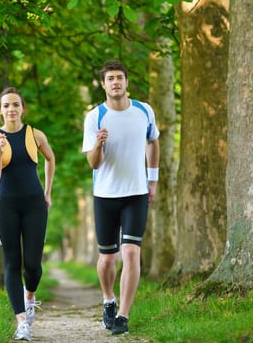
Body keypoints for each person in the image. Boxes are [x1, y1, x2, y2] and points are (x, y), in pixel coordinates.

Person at [82, 60, 160, 335]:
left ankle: (123, 316)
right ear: (103, 85)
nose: (115, 82)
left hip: (136, 193)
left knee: (130, 251)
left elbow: (153, 142)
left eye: (119, 78)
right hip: (105, 195)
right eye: (110, 79)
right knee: (107, 259)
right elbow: (93, 163)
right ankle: (108, 299)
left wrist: (153, 180)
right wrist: (98, 144)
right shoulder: (95, 117)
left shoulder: (144, 111)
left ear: (126, 82)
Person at [0, 87, 55, 341]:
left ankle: (29, 297)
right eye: (6, 105)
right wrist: (0, 153)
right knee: (12, 262)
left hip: (35, 204)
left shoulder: (35, 135)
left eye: (15, 104)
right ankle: (22, 322)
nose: (11, 109)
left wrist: (47, 192)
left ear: (22, 108)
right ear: (0, 110)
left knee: (33, 265)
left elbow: (50, 158)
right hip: (5, 206)